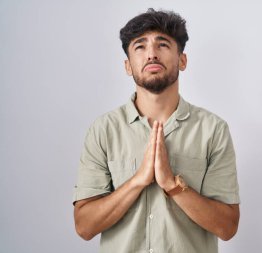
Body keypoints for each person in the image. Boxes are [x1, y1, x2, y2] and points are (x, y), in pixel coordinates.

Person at [73, 8, 240, 253]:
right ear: (128, 66)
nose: (151, 54)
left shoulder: (213, 130)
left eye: (162, 44)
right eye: (140, 46)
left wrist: (172, 185)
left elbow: (227, 227)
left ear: (182, 60)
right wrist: (137, 181)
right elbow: (84, 227)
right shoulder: (103, 130)